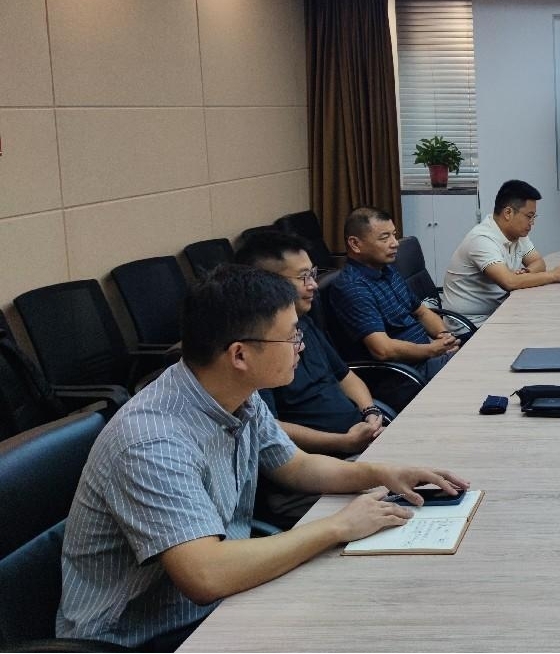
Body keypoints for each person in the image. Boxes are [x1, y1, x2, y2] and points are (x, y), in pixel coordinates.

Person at [58, 265, 470, 650]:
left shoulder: (236, 393)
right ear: (239, 355)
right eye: (290, 337)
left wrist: (382, 472)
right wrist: (339, 526)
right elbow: (206, 575)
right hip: (143, 635)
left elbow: (296, 466)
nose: (300, 346)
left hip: (219, 598)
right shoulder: (152, 441)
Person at [235, 230, 386, 457]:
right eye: (303, 277)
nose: (314, 284)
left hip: (360, 438)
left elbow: (344, 375)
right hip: (325, 457)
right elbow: (269, 427)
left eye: (313, 274)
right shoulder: (256, 346)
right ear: (268, 283)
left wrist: (370, 413)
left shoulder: (304, 321)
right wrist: (343, 443)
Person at [325, 207, 458, 386]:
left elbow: (422, 312)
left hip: (426, 359)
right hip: (404, 376)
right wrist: (432, 350)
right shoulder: (352, 287)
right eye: (384, 238)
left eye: (394, 235)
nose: (395, 243)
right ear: (355, 244)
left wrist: (445, 337)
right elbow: (382, 350)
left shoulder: (387, 270)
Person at [442, 179, 560, 326]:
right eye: (529, 216)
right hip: (471, 325)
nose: (532, 223)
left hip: (499, 312)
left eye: (534, 217)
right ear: (508, 213)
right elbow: (509, 282)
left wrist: (526, 273)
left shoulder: (517, 234)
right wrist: (554, 275)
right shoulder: (482, 239)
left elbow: (538, 262)